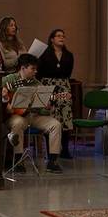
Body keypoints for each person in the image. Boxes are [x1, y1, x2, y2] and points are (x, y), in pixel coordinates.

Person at [2, 53, 63, 174]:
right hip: (14, 116)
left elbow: (42, 110)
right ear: (23, 68)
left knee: (55, 124)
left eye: (36, 69)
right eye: (32, 69)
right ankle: (19, 161)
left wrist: (47, 106)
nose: (35, 72)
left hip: (33, 115)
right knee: (18, 123)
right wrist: (4, 98)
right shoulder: (8, 79)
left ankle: (52, 161)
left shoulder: (37, 84)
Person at [37, 29, 75, 158]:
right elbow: (39, 72)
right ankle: (51, 150)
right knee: (51, 116)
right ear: (52, 39)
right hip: (48, 85)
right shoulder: (44, 54)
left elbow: (69, 73)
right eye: (58, 36)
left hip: (63, 86)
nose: (61, 38)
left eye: (63, 36)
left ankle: (65, 149)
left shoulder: (69, 55)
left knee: (65, 117)